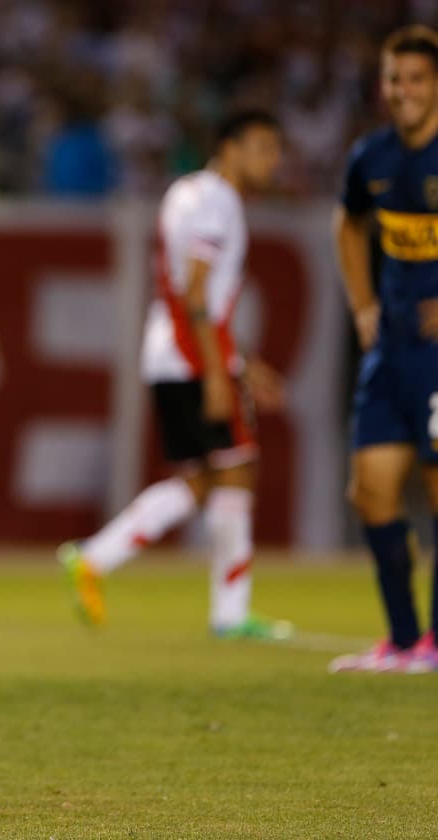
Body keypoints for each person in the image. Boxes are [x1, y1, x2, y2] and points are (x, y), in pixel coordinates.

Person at [58, 109, 291, 639]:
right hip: (192, 356)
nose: (272, 161)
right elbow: (197, 291)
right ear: (229, 148)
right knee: (237, 469)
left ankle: (95, 557)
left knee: (203, 479)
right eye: (262, 148)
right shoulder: (218, 200)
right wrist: (217, 373)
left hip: (168, 352)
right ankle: (231, 613)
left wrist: (244, 363)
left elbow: (188, 290)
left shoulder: (186, 192)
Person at [330, 25, 438, 674]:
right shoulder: (371, 156)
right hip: (391, 351)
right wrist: (361, 303)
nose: (403, 91)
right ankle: (403, 641)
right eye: (394, 79)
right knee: (370, 492)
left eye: (416, 79)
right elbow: (347, 222)